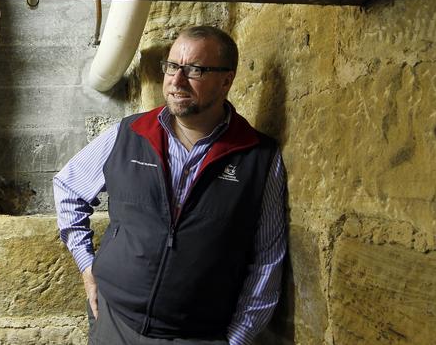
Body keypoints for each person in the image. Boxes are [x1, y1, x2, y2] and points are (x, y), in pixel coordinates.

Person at [54, 25, 287, 345]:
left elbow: (267, 259)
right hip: (113, 323)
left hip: (196, 335)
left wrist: (238, 338)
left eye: (194, 70)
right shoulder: (129, 132)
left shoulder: (258, 157)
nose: (176, 81)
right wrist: (86, 266)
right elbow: (68, 187)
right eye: (172, 66)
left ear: (226, 80)